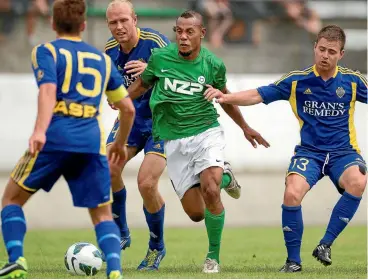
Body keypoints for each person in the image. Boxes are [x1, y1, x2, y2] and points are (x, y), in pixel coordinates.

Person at [204, 25, 367, 272]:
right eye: (321, 49)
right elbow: (259, 94)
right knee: (292, 193)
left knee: (358, 180)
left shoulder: (353, 82)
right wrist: (227, 97)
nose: (325, 55)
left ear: (341, 54)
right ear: (314, 48)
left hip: (343, 153)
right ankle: (293, 262)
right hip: (310, 153)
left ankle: (325, 244)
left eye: (331, 51)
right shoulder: (297, 81)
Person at [0, 0, 135, 278]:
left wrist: (39, 130)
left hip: (55, 138)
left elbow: (48, 91)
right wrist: (120, 143)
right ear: (84, 25)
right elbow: (128, 109)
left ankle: (16, 260)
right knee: (101, 214)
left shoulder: (45, 51)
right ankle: (114, 270)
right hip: (90, 142)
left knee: (11, 199)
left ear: (52, 23)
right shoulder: (102, 60)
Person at [127, 10, 270, 273]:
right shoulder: (159, 59)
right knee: (196, 213)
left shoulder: (213, 65)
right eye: (179, 31)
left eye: (189, 31)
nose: (182, 37)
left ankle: (212, 257)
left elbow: (224, 98)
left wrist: (245, 127)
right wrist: (122, 100)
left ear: (201, 33)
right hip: (172, 139)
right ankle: (226, 176)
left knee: (211, 190)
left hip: (206, 132)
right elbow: (141, 86)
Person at [104, 0, 170, 271]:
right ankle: (121, 231)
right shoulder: (109, 50)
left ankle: (156, 247)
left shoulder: (156, 42)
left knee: (146, 184)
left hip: (162, 120)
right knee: (108, 167)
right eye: (113, 22)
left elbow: (185, 73)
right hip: (131, 118)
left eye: (123, 20)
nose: (119, 27)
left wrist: (153, 71)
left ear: (135, 19)